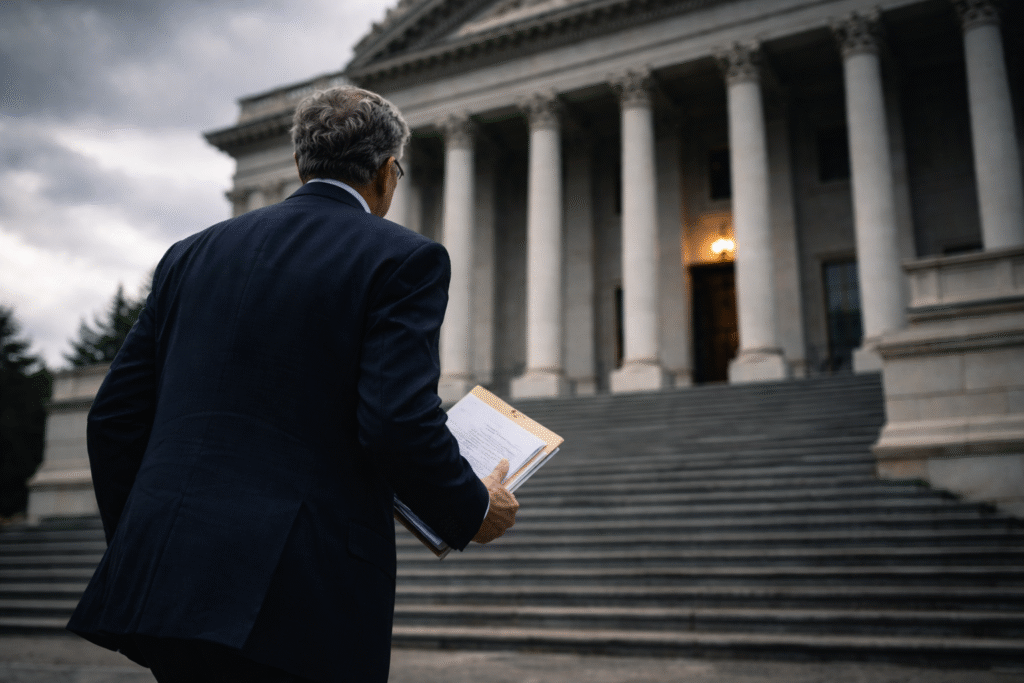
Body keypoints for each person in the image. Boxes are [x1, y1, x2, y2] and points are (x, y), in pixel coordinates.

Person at [66, 85, 519, 683]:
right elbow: (394, 421)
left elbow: (114, 419)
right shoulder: (403, 258)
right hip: (301, 597)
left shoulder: (189, 254)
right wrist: (472, 505)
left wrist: (148, 541)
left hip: (166, 586)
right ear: (387, 172)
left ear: (303, 164)